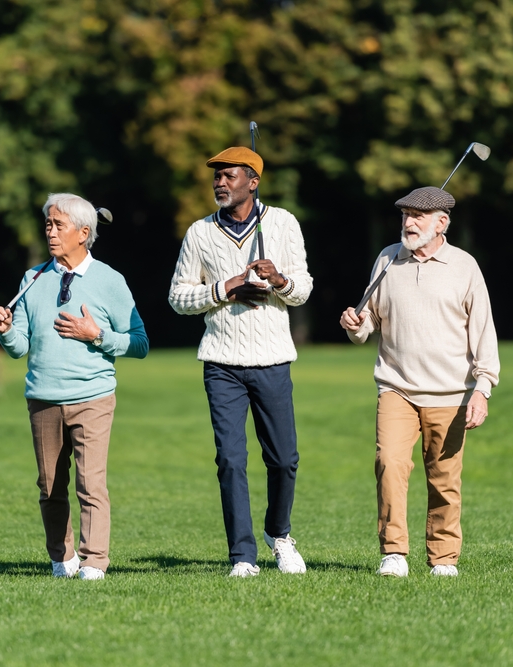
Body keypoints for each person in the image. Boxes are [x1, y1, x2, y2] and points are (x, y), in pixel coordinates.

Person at [339, 185, 499, 578]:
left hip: (451, 393)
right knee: (389, 463)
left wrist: (483, 388)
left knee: (444, 479)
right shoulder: (387, 260)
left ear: (442, 223)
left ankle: (443, 559)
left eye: (418, 217)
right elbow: (370, 321)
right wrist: (355, 326)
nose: (408, 223)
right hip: (396, 387)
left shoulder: (465, 267)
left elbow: (484, 334)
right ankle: (393, 552)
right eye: (405, 216)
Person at [169, 146, 313, 578]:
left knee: (284, 460)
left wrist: (278, 280)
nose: (220, 183)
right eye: (216, 177)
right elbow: (177, 297)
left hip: (272, 360)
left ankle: (279, 534)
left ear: (253, 182)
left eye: (229, 176)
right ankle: (243, 556)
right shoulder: (199, 234)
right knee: (231, 460)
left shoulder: (283, 223)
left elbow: (303, 289)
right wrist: (225, 288)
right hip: (222, 363)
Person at [0, 192, 149, 581]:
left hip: (93, 397)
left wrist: (97, 335)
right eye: (48, 223)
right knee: (49, 486)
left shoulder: (110, 281)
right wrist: (8, 332)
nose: (50, 230)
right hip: (42, 397)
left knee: (90, 483)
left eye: (58, 225)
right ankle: (61, 559)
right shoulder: (33, 278)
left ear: (83, 232)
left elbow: (140, 343)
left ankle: (94, 561)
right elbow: (20, 347)